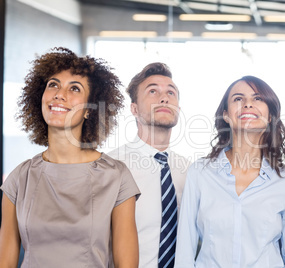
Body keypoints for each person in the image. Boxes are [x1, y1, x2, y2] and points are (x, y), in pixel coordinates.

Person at [0, 47, 140, 268]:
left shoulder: (116, 177)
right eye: (53, 84)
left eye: (74, 88)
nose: (59, 94)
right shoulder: (20, 178)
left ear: (89, 110)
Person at [175, 75, 285, 267]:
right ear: (226, 115)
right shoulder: (200, 173)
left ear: (270, 116)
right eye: (238, 99)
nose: (247, 104)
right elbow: (184, 255)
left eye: (258, 99)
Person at [108, 62, 190, 268]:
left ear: (178, 109)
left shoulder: (189, 171)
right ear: (134, 109)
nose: (164, 97)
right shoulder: (110, 167)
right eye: (152, 91)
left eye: (171, 93)